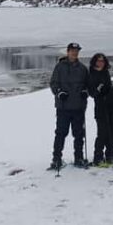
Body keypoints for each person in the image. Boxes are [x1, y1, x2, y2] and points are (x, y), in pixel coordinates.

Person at [48, 42, 90, 170]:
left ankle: (79, 158)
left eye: (76, 51)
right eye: (72, 50)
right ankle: (56, 159)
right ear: (67, 52)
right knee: (60, 133)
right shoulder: (59, 67)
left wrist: (85, 92)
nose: (74, 53)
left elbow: (88, 85)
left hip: (78, 107)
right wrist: (59, 92)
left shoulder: (83, 68)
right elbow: (53, 83)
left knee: (78, 134)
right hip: (63, 107)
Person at [88, 52, 113, 166]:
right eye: (99, 60)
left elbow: (108, 87)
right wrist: (98, 90)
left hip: (112, 104)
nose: (101, 62)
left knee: (112, 129)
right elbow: (92, 92)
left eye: (103, 60)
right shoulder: (91, 74)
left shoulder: (106, 72)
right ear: (95, 62)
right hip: (100, 106)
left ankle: (110, 153)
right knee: (102, 131)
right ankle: (98, 156)